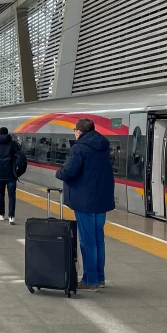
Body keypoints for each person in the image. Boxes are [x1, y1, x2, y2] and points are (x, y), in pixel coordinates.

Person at [56, 117, 115, 291]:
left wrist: (59, 173)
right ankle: (100, 277)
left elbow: (69, 171)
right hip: (101, 200)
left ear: (79, 132)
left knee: (87, 241)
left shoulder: (79, 148)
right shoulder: (103, 146)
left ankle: (90, 280)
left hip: (85, 201)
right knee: (98, 240)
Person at [0, 126, 22, 225]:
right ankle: (11, 217)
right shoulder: (13, 144)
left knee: (0, 193)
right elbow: (21, 157)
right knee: (11, 195)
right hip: (11, 173)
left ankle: (1, 214)